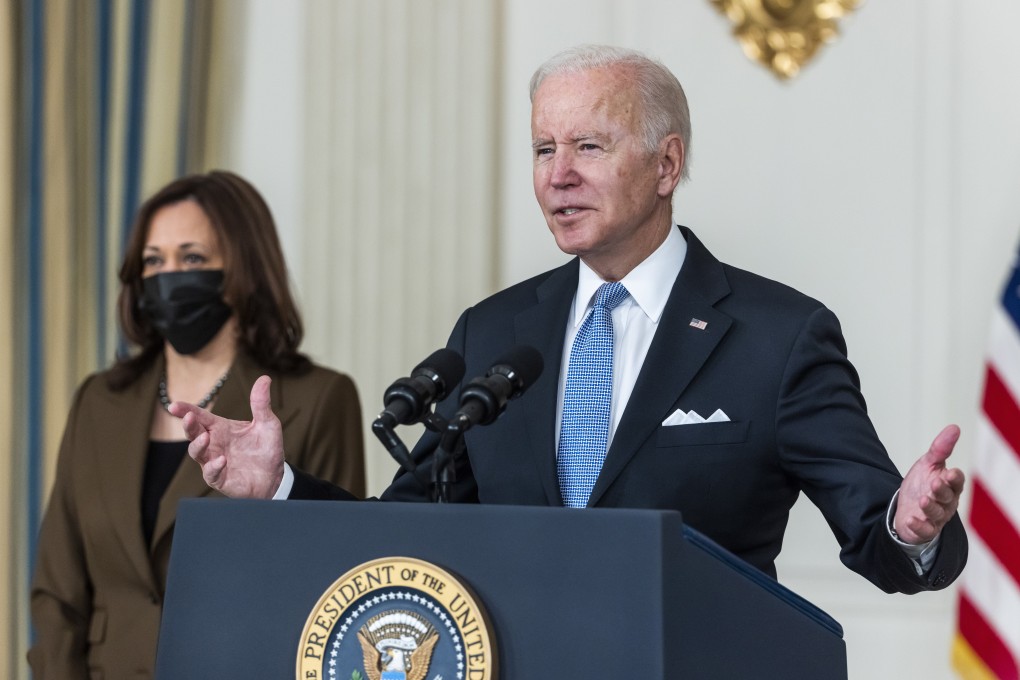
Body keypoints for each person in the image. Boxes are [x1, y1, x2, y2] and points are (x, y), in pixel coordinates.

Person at [173, 46, 967, 594]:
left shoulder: (778, 336)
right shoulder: (494, 331)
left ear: (667, 164)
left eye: (588, 145)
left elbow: (883, 540)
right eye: (542, 148)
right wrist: (277, 487)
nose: (558, 176)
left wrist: (912, 523)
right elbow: (405, 535)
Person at [28, 170, 366, 679]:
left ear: (243, 268)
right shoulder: (98, 402)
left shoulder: (320, 398)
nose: (169, 277)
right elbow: (59, 592)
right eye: (152, 261)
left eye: (191, 258)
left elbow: (336, 581)